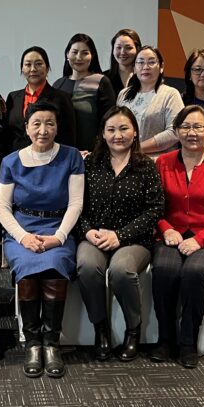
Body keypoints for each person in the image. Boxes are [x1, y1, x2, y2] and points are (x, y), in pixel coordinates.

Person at [0, 102, 85, 378]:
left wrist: (58, 238)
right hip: (22, 229)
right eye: (36, 124)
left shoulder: (72, 157)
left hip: (58, 228)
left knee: (55, 266)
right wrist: (22, 237)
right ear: (26, 128)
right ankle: (33, 342)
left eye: (49, 123)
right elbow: (2, 208)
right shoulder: (11, 161)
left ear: (57, 127)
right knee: (27, 270)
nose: (43, 130)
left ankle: (51, 342)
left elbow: (76, 204)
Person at [150, 105, 204, 368]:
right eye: (185, 127)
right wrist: (167, 229)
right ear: (176, 131)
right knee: (164, 269)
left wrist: (200, 239)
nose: (192, 132)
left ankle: (188, 341)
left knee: (195, 272)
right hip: (171, 234)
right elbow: (153, 206)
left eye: (198, 127)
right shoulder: (163, 163)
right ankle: (165, 339)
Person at [76, 106, 163, 362]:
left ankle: (132, 331)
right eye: (111, 129)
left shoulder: (146, 166)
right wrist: (88, 231)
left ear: (135, 132)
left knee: (121, 270)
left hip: (134, 239)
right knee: (87, 266)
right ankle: (100, 329)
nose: (118, 135)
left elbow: (155, 209)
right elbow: (75, 204)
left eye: (124, 128)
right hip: (93, 235)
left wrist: (120, 235)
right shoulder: (89, 163)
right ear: (102, 133)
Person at [53, 33, 117, 153]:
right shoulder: (58, 84)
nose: (79, 57)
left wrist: (99, 149)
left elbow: (110, 120)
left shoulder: (101, 81)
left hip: (93, 153)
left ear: (92, 56)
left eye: (85, 53)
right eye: (74, 52)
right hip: (61, 153)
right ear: (67, 54)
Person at [116, 46, 184, 158]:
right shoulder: (123, 94)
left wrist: (137, 148)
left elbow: (175, 131)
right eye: (140, 62)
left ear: (161, 67)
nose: (145, 67)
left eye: (151, 62)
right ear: (134, 68)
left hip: (159, 161)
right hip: (124, 160)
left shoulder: (170, 94)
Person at [6, 46, 77, 151]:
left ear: (47, 68)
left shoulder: (62, 98)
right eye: (28, 64)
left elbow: (69, 137)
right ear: (22, 69)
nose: (33, 69)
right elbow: (7, 134)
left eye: (38, 64)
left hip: (51, 160)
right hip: (18, 160)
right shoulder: (13, 97)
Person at [104, 28, 141, 96]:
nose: (123, 52)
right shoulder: (103, 78)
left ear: (138, 49)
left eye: (128, 48)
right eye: (118, 47)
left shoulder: (144, 76)